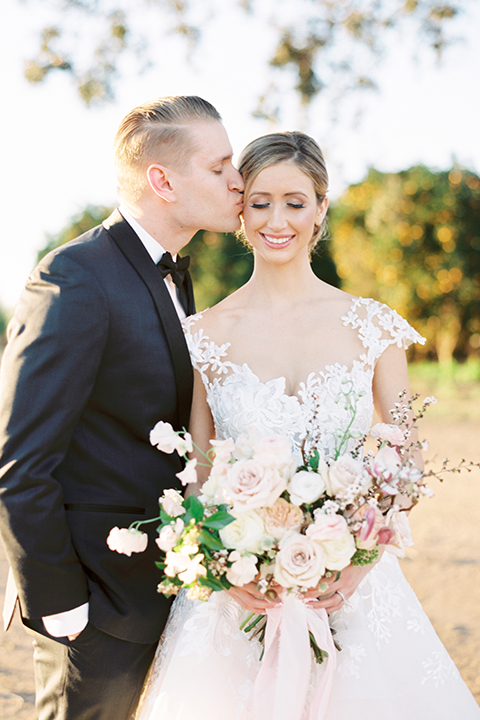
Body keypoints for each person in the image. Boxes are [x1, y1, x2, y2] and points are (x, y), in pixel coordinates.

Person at [136, 131, 480, 719]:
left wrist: (355, 564)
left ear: (321, 207)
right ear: (240, 209)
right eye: (261, 201)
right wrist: (223, 567)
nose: (277, 220)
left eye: (295, 202)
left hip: (353, 592)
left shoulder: (372, 326)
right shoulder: (204, 334)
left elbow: (408, 466)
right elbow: (198, 474)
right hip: (239, 598)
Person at [0, 95, 244, 720]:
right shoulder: (76, 276)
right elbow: (19, 462)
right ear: (161, 179)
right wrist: (60, 604)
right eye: (219, 168)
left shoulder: (170, 273)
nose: (237, 181)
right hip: (95, 607)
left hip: (168, 591)